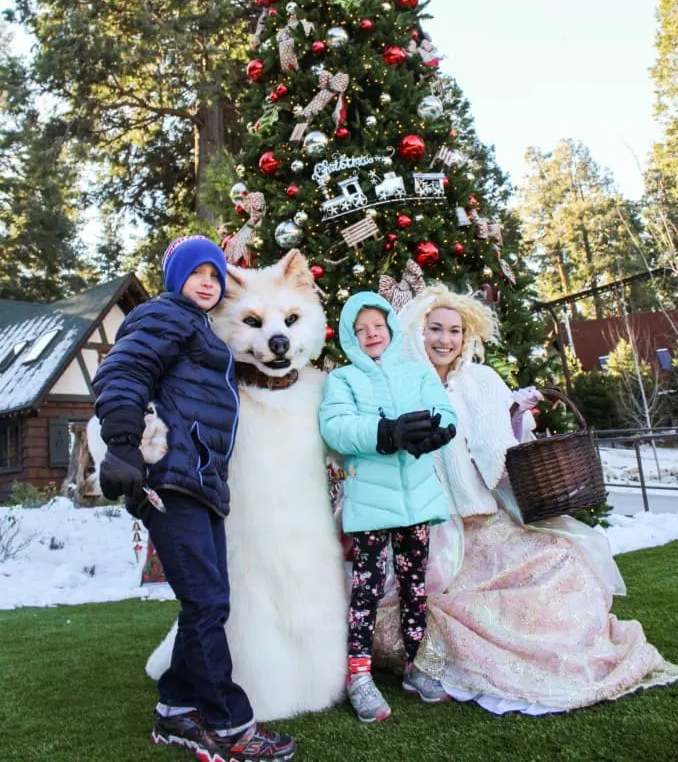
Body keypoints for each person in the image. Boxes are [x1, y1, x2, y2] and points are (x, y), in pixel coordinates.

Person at [372, 285, 678, 713]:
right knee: (461, 596)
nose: (445, 340)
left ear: (467, 336)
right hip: (435, 525)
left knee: (561, 559)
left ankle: (570, 652)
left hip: (489, 512)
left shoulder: (482, 381)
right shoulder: (399, 388)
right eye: (435, 329)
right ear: (416, 332)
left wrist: (518, 418)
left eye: (455, 331)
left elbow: (506, 454)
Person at [93, 234, 295, 761]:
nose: (208, 282)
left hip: (198, 482)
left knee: (209, 602)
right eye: (197, 272)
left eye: (215, 275)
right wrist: (120, 444)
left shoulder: (198, 331)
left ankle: (176, 709)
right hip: (170, 481)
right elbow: (123, 370)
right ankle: (230, 724)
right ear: (175, 279)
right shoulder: (166, 316)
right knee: (206, 602)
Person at [319, 291, 457, 723]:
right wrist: (387, 432)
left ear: (392, 329)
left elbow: (443, 408)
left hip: (418, 500)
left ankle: (415, 666)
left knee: (416, 585)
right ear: (349, 337)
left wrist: (439, 431)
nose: (371, 334)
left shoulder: (416, 373)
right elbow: (337, 428)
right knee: (368, 588)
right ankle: (358, 675)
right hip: (371, 506)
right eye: (360, 330)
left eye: (377, 326)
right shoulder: (342, 381)